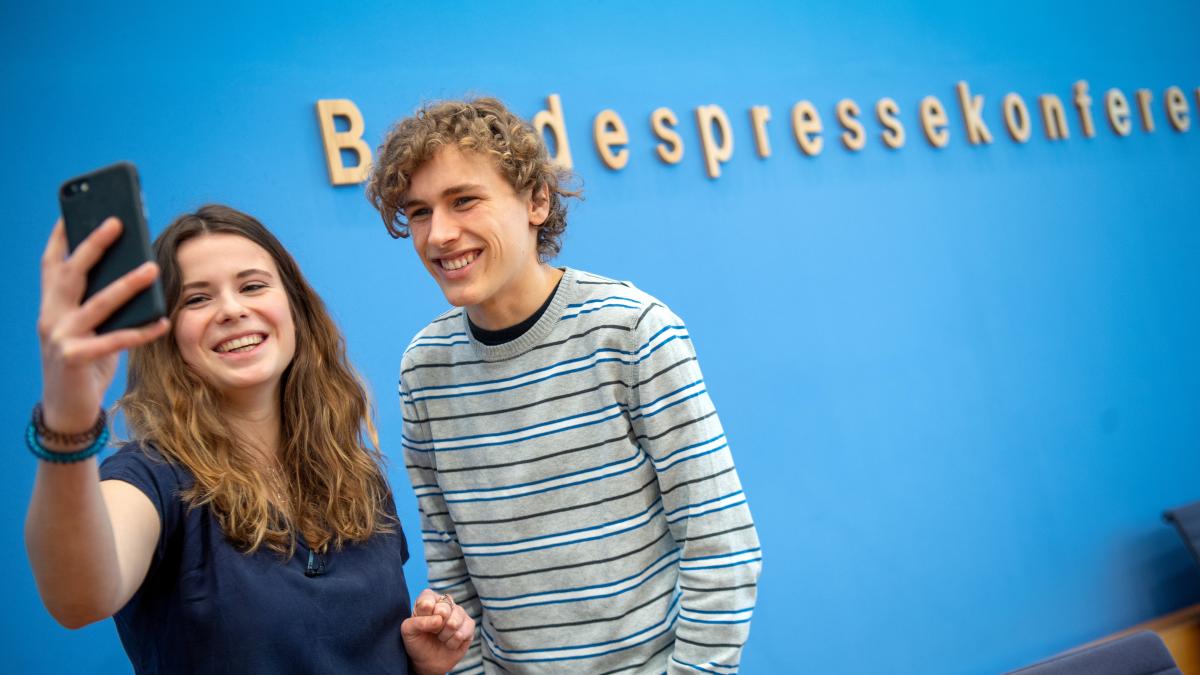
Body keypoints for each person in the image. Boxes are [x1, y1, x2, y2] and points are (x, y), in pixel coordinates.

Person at [366, 99, 762, 674]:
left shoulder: (632, 331)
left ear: (536, 200)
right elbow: (451, 568)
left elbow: (721, 543)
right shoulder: (424, 368)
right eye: (420, 212)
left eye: (464, 201)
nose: (440, 234)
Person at [25, 204, 474, 674]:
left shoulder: (355, 475)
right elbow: (79, 596)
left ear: (294, 308)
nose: (233, 309)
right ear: (166, 334)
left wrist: (420, 666)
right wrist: (67, 417)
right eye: (196, 300)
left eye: (252, 286)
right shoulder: (151, 477)